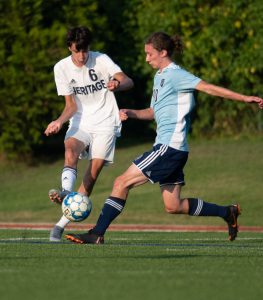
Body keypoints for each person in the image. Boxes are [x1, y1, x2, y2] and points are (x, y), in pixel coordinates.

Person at [65, 31, 263, 244]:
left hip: (169, 148)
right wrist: (131, 113)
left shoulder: (176, 75)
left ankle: (97, 232)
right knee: (173, 205)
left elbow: (208, 88)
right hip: (175, 149)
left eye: (150, 54)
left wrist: (244, 98)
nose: (146, 58)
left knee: (121, 182)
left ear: (163, 52)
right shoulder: (160, 77)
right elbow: (153, 112)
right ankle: (228, 212)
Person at [44, 26, 134, 242]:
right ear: (69, 48)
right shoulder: (61, 68)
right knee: (70, 148)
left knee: (92, 175)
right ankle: (66, 193)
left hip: (106, 123)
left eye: (85, 50)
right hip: (81, 120)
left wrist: (117, 84)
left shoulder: (101, 59)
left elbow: (128, 81)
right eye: (77, 51)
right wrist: (58, 121)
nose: (82, 56)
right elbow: (70, 106)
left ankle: (59, 225)